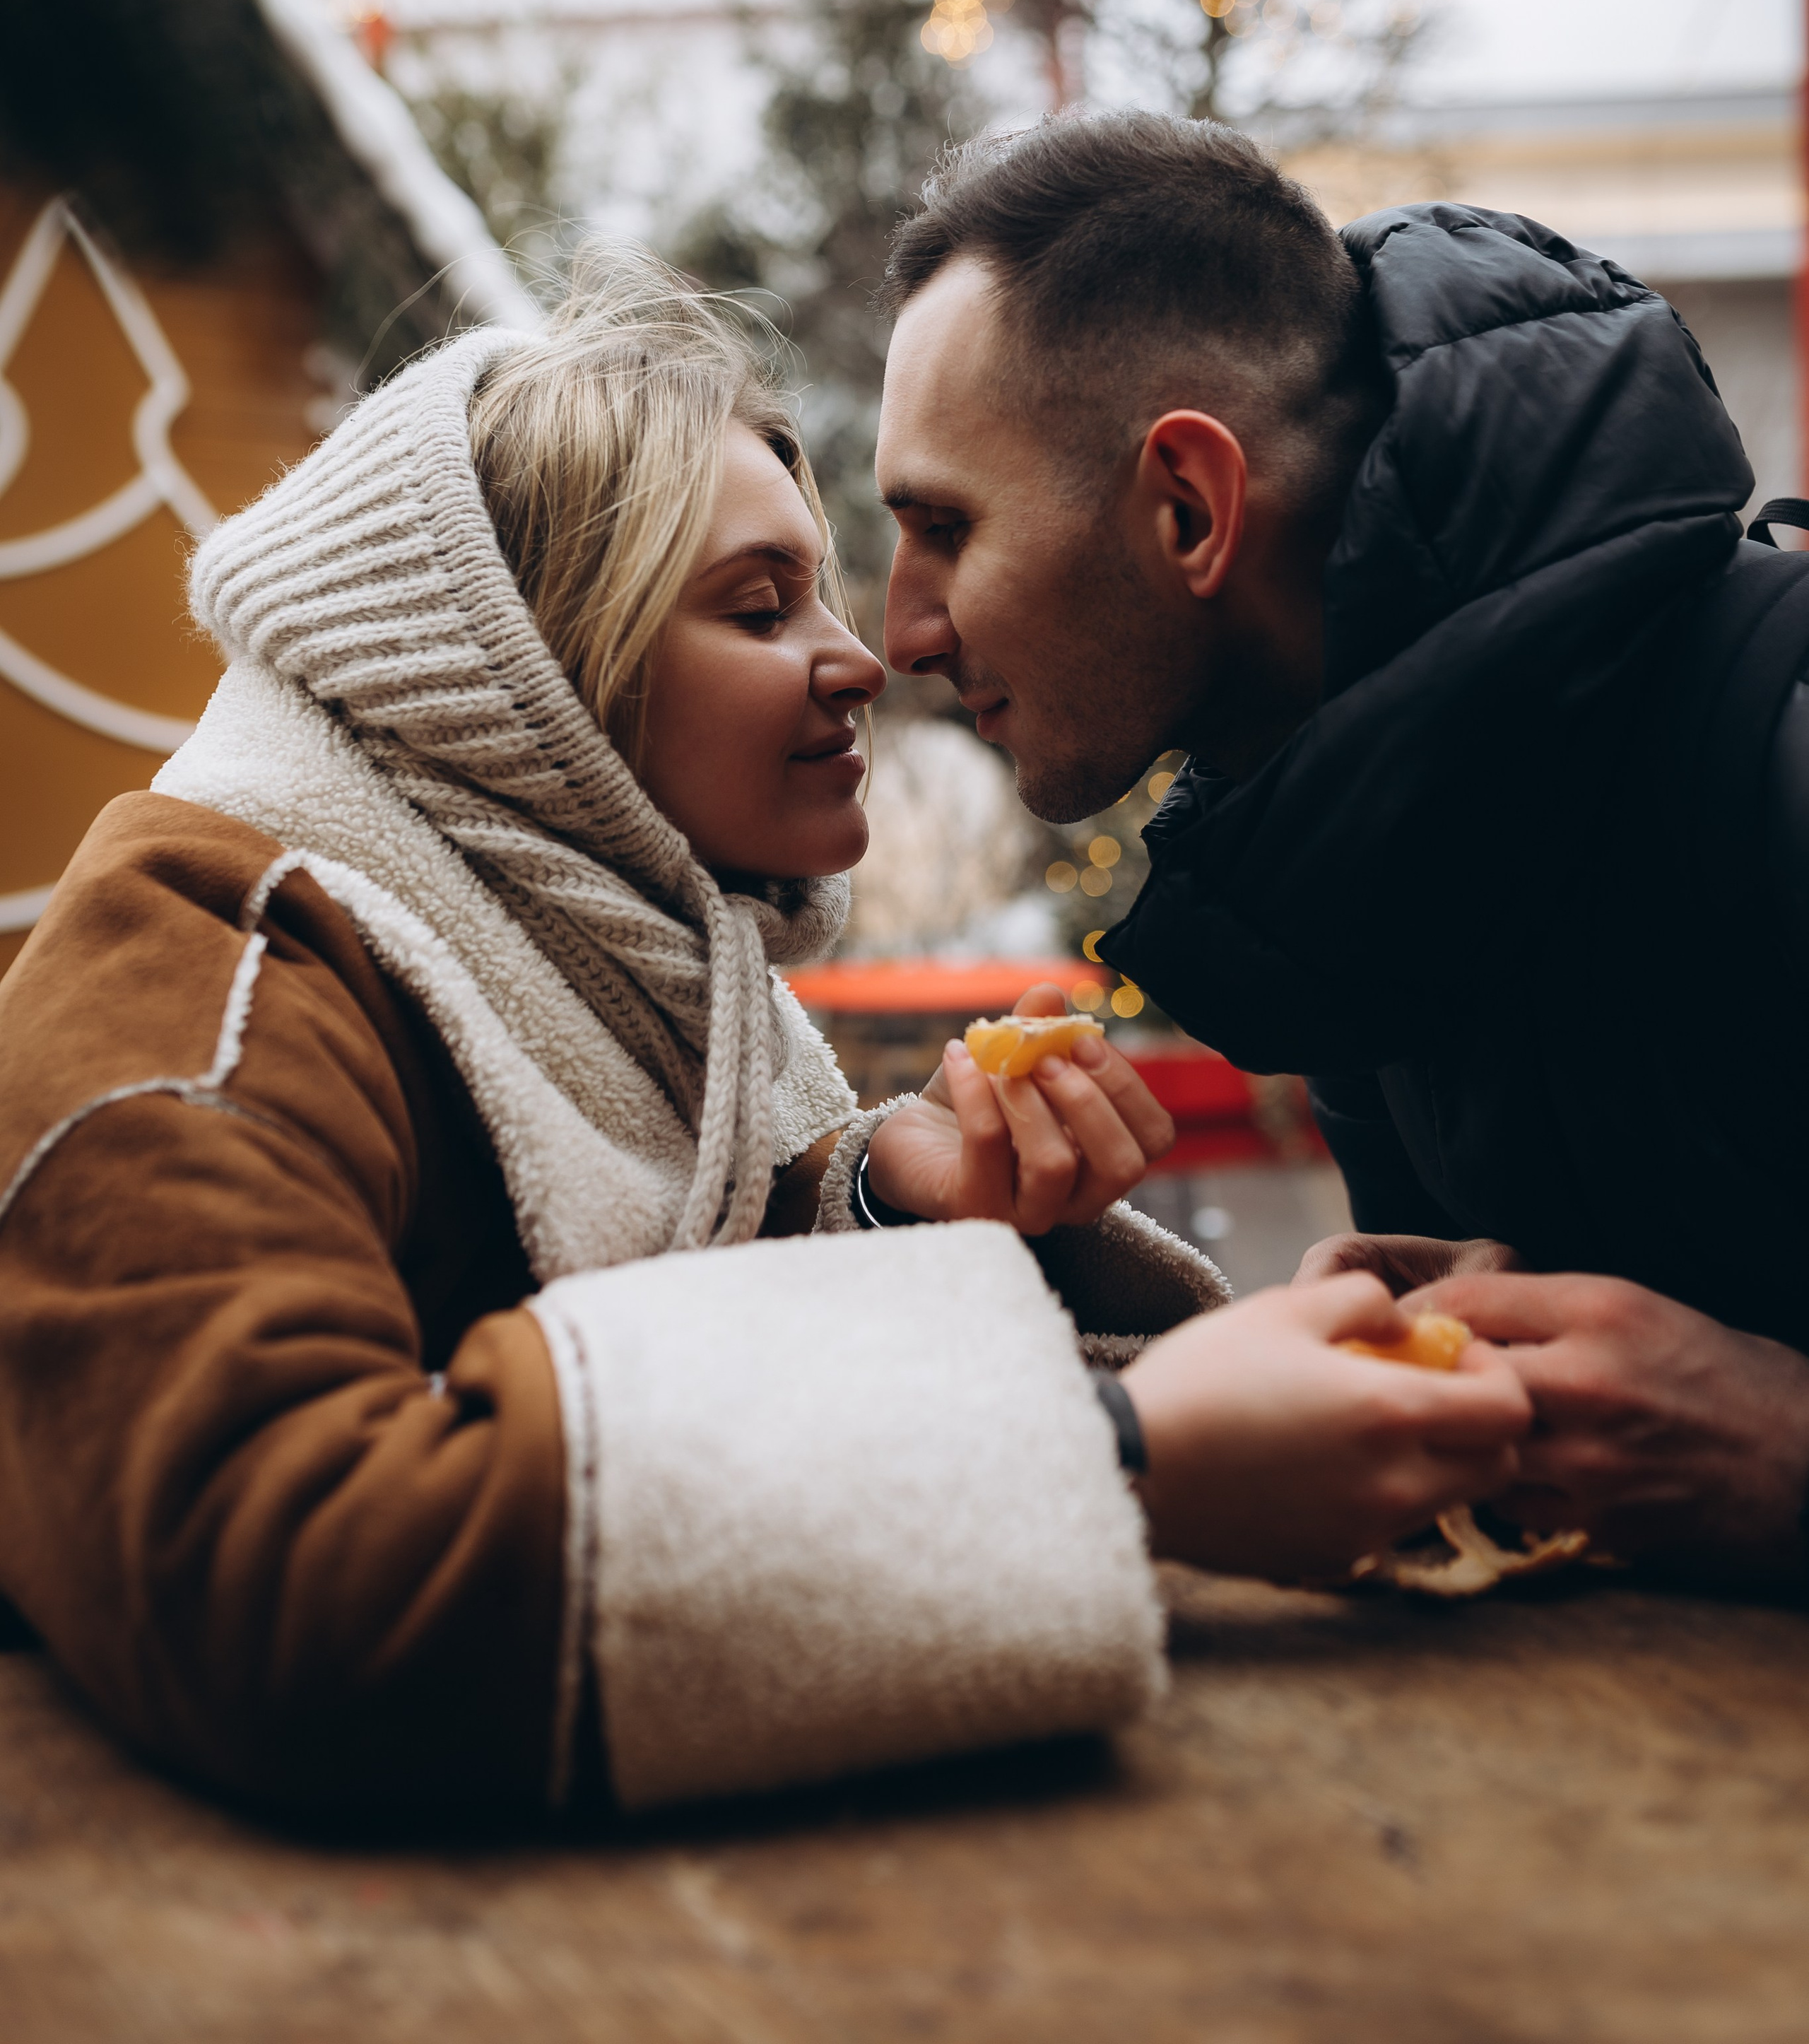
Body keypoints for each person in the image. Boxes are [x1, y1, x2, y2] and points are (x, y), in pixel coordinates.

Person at [0, 254, 1528, 1823]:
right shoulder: (202, 976)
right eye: (756, 605)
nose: (861, 656)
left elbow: (593, 1292)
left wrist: (875, 1210)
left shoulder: (590, 956)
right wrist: (1117, 1452)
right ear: (533, 683)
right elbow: (276, 1578)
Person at [878, 110, 1809, 1593]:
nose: (898, 634)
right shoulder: (1339, 881)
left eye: (942, 525)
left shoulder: (1778, 734)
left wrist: (1775, 1448)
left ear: (1188, 506)